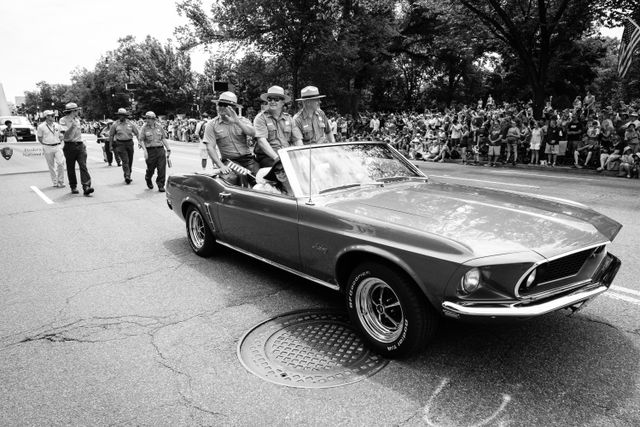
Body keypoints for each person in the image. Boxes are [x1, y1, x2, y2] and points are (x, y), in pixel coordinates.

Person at [202, 91, 258, 185]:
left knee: (259, 176)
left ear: (233, 108)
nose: (221, 107)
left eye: (225, 105)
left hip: (247, 158)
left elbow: (253, 133)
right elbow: (210, 147)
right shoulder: (211, 125)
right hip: (230, 160)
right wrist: (221, 166)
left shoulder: (242, 120)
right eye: (220, 104)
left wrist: (237, 122)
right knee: (242, 175)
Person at [253, 85, 302, 168]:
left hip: (286, 154)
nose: (272, 102)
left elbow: (297, 140)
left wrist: (302, 155)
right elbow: (262, 141)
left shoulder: (289, 119)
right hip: (268, 157)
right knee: (283, 170)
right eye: (270, 99)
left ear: (283, 102)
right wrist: (277, 158)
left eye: (276, 99)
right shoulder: (261, 118)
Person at [60, 102, 94, 195]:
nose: (78, 112)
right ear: (72, 111)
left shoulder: (77, 120)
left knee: (83, 166)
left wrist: (82, 143)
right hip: (69, 146)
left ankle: (86, 186)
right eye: (76, 110)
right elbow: (63, 135)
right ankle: (73, 186)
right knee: (71, 167)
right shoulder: (63, 120)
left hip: (80, 145)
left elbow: (78, 133)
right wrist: (72, 127)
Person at [139, 111, 171, 192]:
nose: (148, 120)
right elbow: (141, 140)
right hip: (150, 151)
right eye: (147, 118)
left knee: (161, 168)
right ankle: (148, 178)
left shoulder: (159, 127)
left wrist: (168, 148)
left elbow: (163, 138)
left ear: (154, 119)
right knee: (151, 169)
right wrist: (145, 151)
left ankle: (161, 185)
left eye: (149, 118)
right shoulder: (144, 128)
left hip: (160, 149)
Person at [109, 108, 139, 184]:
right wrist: (110, 145)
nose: (120, 117)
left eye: (122, 115)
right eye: (119, 115)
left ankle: (128, 174)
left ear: (125, 116)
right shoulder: (115, 124)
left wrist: (140, 142)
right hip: (120, 144)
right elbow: (111, 135)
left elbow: (137, 133)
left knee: (130, 160)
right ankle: (127, 176)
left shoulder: (130, 124)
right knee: (125, 160)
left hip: (129, 143)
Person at [36, 110, 65, 187]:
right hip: (47, 147)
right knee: (51, 166)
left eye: (53, 115)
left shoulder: (57, 125)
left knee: (60, 163)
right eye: (51, 115)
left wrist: (61, 137)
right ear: (47, 117)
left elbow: (61, 133)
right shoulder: (41, 126)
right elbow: (39, 138)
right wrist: (46, 144)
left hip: (57, 146)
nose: (53, 117)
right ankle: (55, 182)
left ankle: (61, 181)